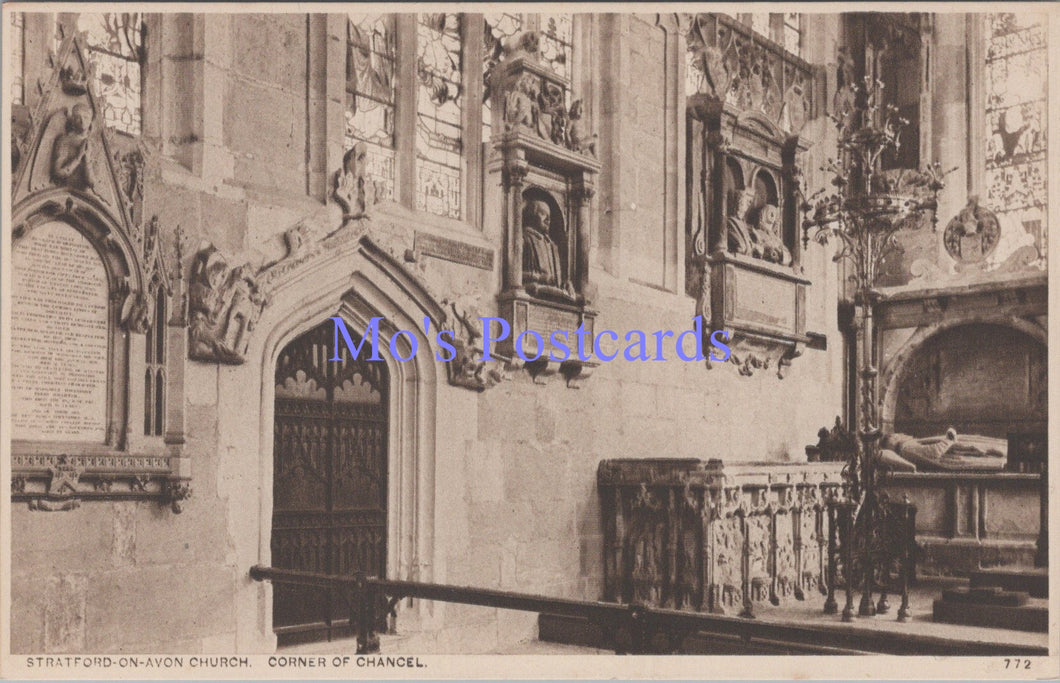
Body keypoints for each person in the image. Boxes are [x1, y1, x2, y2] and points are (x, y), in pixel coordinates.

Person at [522, 198, 576, 302]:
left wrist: (566, 283)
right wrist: (540, 277)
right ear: (531, 215)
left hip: (554, 294)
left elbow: (556, 279)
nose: (548, 219)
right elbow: (514, 274)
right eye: (542, 214)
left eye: (549, 216)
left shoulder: (552, 246)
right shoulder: (524, 238)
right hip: (534, 290)